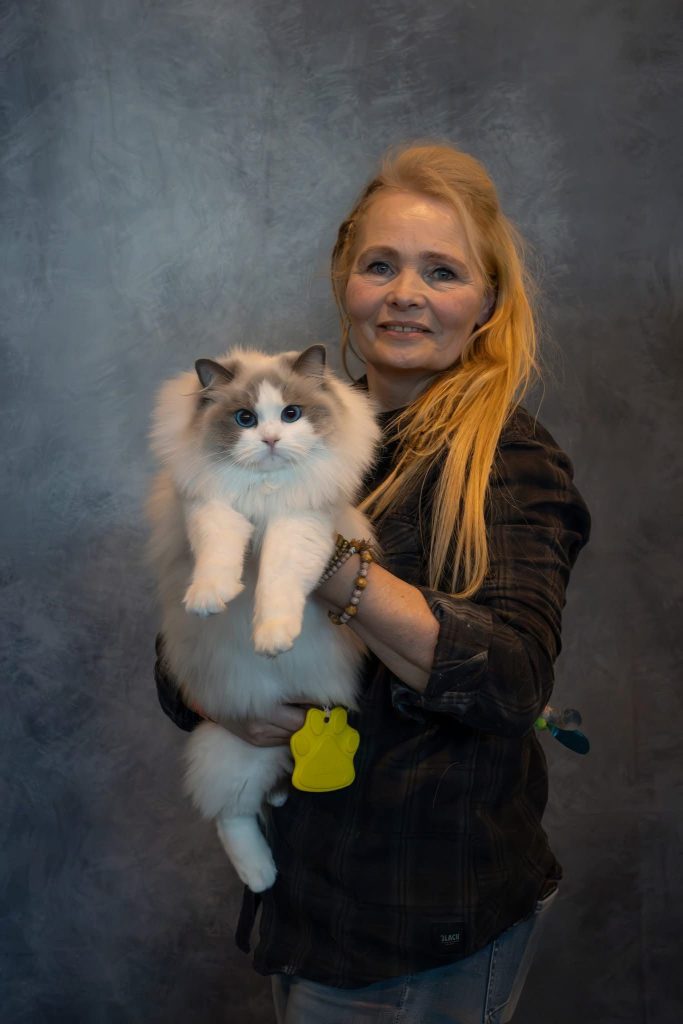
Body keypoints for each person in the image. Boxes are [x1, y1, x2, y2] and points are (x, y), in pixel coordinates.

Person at [154, 142, 591, 1023]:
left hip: (417, 917)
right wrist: (214, 702)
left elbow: (511, 684)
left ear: (486, 301)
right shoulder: (290, 424)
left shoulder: (510, 460)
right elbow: (184, 641)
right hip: (306, 900)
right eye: (380, 265)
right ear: (343, 281)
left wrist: (329, 567)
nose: (405, 294)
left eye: (442, 272)